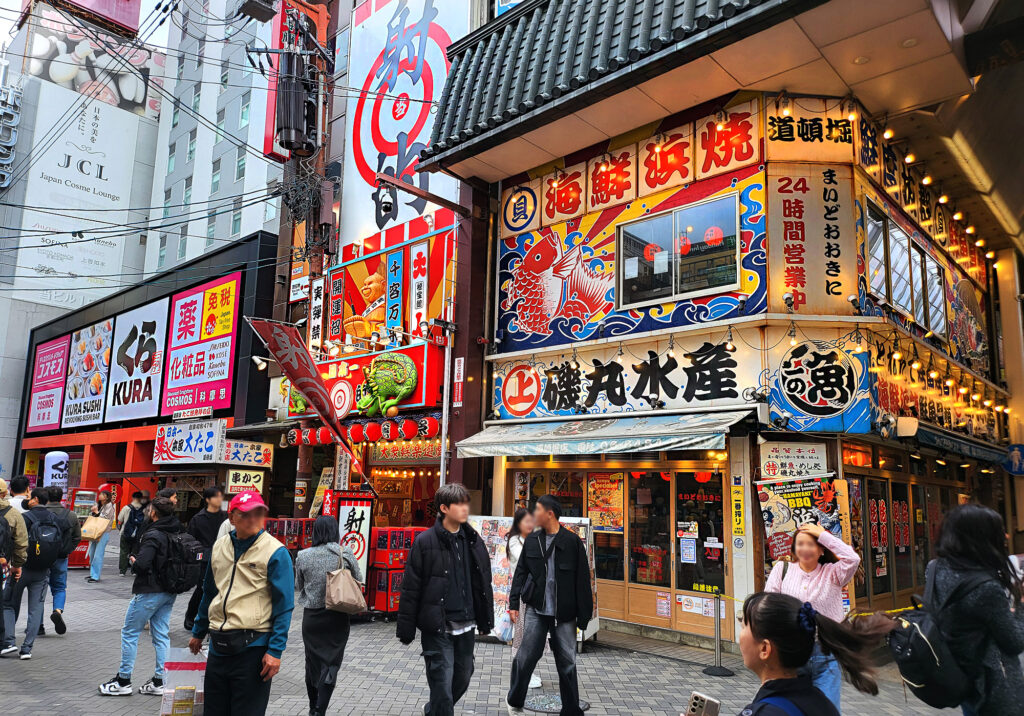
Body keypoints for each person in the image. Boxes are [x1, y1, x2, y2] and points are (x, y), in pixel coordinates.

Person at [189, 491, 294, 716]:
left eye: (258, 513)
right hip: (218, 646)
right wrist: (198, 630)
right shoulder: (220, 546)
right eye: (246, 515)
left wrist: (275, 650)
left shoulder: (275, 552)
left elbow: (284, 605)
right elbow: (209, 591)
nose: (253, 519)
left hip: (252, 649)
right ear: (232, 517)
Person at [397, 483, 494, 716]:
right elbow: (411, 588)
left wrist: (485, 620)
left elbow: (483, 582)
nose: (464, 508)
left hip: (467, 623)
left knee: (462, 677)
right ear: (444, 508)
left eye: (465, 502)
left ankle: (433, 711)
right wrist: (406, 629)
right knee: (442, 685)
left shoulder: (472, 540)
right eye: (459, 503)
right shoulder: (425, 542)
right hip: (437, 626)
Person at [930, 503, 1024, 716]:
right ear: (981, 537)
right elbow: (1015, 642)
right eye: (999, 531)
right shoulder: (986, 589)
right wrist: (1021, 604)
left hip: (961, 673)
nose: (1007, 536)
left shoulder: (935, 569)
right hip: (994, 687)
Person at [738, 591, 893, 715]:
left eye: (744, 625)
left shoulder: (764, 712)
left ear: (765, 649)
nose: (741, 631)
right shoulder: (822, 703)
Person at [506, 496, 592, 716]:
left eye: (538, 511)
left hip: (564, 613)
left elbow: (582, 581)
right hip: (536, 609)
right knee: (526, 657)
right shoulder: (533, 540)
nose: (534, 515)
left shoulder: (572, 542)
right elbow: (521, 573)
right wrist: (514, 602)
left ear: (550, 513)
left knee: (567, 662)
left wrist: (584, 616)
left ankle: (571, 710)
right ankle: (515, 698)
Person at [763, 522, 860, 709]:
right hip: (792, 653)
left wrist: (822, 534)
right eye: (800, 544)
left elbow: (853, 559)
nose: (805, 549)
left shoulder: (834, 574)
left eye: (811, 544)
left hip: (826, 653)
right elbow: (769, 606)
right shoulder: (782, 570)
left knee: (827, 709)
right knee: (792, 709)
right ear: (793, 548)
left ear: (821, 549)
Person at [98, 497, 183, 696]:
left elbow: (142, 564)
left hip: (149, 590)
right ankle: (160, 680)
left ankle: (123, 680)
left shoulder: (154, 534)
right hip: (169, 590)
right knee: (161, 635)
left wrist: (134, 561)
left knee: (130, 632)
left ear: (154, 513)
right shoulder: (177, 530)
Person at [295, 515, 362, 716]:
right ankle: (320, 711)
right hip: (337, 616)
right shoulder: (345, 553)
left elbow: (299, 585)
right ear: (335, 531)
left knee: (312, 664)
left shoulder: (303, 555)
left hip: (312, 618)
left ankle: (312, 705)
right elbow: (358, 579)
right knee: (331, 663)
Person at [1, 488, 64, 659]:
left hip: (22, 568)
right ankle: (27, 649)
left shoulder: (26, 517)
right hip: (43, 570)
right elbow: (63, 543)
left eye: (29, 497)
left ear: (35, 499)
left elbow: (17, 542)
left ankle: (9, 642)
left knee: (8, 603)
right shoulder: (55, 519)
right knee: (36, 609)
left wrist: (15, 562)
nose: (27, 499)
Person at [505, 507, 541, 690]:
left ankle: (528, 671)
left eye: (532, 521)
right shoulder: (514, 541)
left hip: (534, 595)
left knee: (532, 636)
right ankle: (523, 674)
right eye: (527, 521)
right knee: (523, 636)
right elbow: (526, 563)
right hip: (522, 596)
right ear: (519, 523)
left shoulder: (532, 540)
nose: (530, 524)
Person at [184, 486, 227, 631]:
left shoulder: (226, 517)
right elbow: (191, 539)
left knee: (219, 590)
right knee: (202, 589)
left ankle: (212, 619)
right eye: (216, 497)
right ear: (208, 500)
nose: (220, 499)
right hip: (203, 558)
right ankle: (190, 616)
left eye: (221, 496)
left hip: (223, 557)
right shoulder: (198, 518)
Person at [44, 486, 81, 636]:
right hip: (61, 557)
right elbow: (77, 537)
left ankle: (37, 624)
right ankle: (57, 610)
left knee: (39, 590)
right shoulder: (70, 515)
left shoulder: (40, 514)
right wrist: (67, 550)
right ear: (61, 497)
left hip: (42, 557)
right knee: (59, 587)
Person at [0, 478, 28, 652]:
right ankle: (4, 641)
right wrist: (17, 565)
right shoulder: (12, 513)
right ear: (4, 494)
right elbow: (21, 543)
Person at [85, 490, 116, 583]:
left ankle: (95, 576)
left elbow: (105, 519)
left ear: (107, 497)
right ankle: (92, 573)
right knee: (92, 553)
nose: (100, 496)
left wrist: (97, 512)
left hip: (103, 532)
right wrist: (93, 512)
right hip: (96, 531)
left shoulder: (110, 506)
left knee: (98, 555)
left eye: (103, 495)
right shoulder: (100, 505)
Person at [117, 491, 149, 577]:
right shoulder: (144, 509)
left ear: (133, 498)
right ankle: (134, 571)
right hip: (138, 534)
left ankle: (122, 571)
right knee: (135, 552)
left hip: (126, 533)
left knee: (124, 551)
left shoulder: (126, 508)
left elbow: (120, 519)